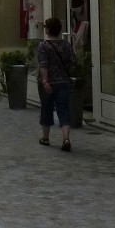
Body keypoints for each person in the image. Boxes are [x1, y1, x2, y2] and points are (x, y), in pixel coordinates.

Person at [37, 16, 73, 151]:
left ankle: (45, 138)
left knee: (46, 109)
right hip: (63, 82)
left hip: (49, 83)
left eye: (46, 27)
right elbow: (71, 62)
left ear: (48, 30)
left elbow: (43, 65)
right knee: (63, 110)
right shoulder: (66, 45)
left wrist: (45, 81)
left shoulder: (43, 46)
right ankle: (66, 138)